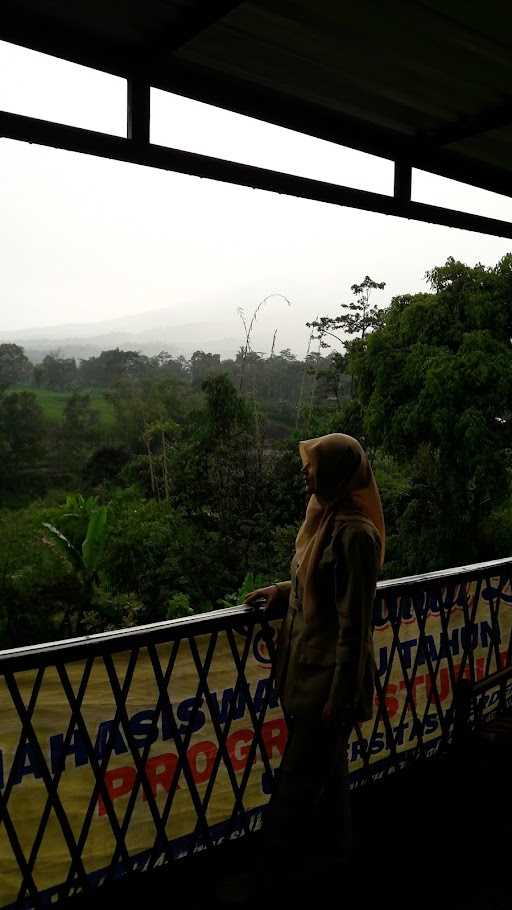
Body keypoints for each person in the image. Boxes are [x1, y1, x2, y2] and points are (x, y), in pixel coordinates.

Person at [244, 432, 385, 882]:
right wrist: (283, 593)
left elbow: (354, 625)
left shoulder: (355, 535)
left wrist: (339, 697)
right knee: (329, 777)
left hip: (325, 686)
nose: (306, 471)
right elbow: (317, 588)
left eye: (314, 465)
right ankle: (335, 861)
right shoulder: (323, 520)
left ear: (338, 474)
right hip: (303, 675)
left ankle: (273, 873)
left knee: (294, 788)